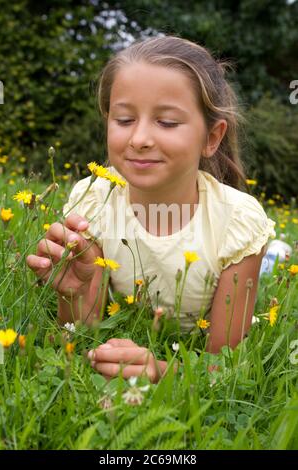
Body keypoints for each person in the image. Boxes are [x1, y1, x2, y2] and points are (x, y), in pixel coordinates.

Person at [27, 35, 276, 383]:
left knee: (273, 260)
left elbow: (224, 368)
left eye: (167, 123)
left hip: (231, 244)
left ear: (212, 138)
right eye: (124, 120)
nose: (139, 138)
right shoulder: (95, 201)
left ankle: (273, 257)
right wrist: (74, 292)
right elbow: (81, 332)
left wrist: (160, 371)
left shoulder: (238, 222)